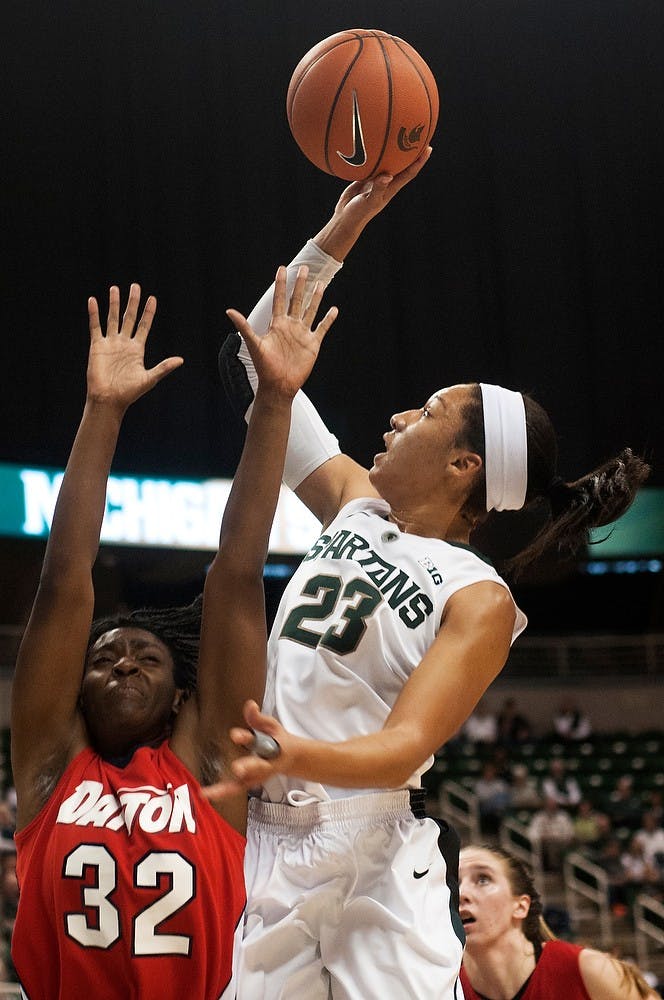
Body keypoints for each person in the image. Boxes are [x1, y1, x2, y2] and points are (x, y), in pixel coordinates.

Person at [211, 149, 650, 998]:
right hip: (270, 837)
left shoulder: (478, 596)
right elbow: (256, 355)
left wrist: (296, 748)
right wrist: (344, 228)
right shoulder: (353, 503)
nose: (400, 415)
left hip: (374, 850)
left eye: (429, 413)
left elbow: (408, 745)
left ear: (462, 466)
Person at [9, 274, 336, 999]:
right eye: (102, 658)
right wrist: (101, 412)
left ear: (183, 693)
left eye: (144, 656)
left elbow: (238, 573)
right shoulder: (48, 771)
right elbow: (66, 577)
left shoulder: (210, 765)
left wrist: (275, 403)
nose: (122, 661)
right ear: (75, 690)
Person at [458, 843, 660, 998]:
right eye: (452, 882)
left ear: (520, 906)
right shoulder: (442, 990)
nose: (461, 893)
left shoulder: (587, 969)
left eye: (483, 879)